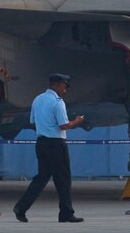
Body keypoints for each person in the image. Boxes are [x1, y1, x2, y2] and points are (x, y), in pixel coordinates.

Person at [13, 73, 84, 223]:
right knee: (63, 179)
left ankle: (21, 207)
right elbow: (63, 125)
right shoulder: (58, 102)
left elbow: (32, 121)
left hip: (41, 143)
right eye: (65, 86)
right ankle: (66, 213)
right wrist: (76, 121)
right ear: (58, 85)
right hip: (56, 144)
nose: (66, 90)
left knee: (41, 178)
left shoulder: (37, 99)